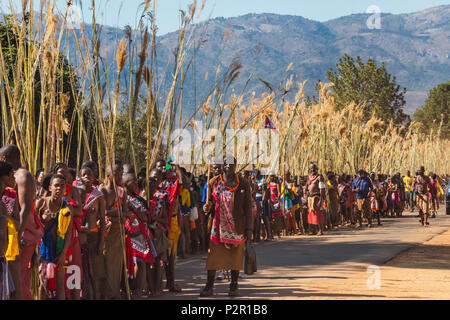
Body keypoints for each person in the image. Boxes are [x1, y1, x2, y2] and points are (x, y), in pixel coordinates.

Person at [200, 157, 253, 297]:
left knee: (235, 259)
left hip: (237, 227)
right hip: (217, 227)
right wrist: (206, 207)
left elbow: (248, 207)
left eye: (231, 163)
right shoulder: (213, 182)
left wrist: (249, 229)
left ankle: (234, 286)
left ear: (235, 165)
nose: (228, 166)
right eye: (225, 163)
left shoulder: (243, 184)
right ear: (222, 165)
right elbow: (209, 204)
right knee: (213, 258)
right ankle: (209, 286)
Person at [0, 144, 42, 300]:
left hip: (22, 235)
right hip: (11, 235)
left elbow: (24, 209)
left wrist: (18, 236)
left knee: (19, 279)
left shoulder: (22, 176)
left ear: (5, 158)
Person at [35, 174, 73, 300]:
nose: (59, 188)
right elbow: (32, 223)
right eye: (56, 185)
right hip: (43, 249)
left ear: (65, 189)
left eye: (62, 186)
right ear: (50, 187)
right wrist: (42, 221)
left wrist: (63, 254)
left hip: (60, 248)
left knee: (60, 282)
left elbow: (68, 233)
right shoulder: (41, 202)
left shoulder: (67, 207)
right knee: (43, 282)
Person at [99, 163, 128, 299]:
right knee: (105, 264)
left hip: (118, 233)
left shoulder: (122, 191)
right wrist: (117, 212)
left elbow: (125, 211)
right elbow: (101, 212)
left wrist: (118, 213)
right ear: (108, 175)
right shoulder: (101, 191)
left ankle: (115, 293)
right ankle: (106, 294)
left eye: (121, 173)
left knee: (117, 265)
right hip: (105, 232)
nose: (119, 176)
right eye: (116, 173)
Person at [77, 165, 106, 300]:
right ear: (79, 177)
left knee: (94, 273)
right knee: (81, 273)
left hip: (93, 237)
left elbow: (103, 221)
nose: (87, 177)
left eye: (90, 175)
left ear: (94, 178)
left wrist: (101, 243)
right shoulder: (75, 194)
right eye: (84, 175)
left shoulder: (98, 196)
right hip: (78, 238)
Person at [0, 161, 18, 300]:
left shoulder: (5, 201)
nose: (14, 178)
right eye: (12, 174)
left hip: (3, 255)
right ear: (3, 177)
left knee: (10, 292)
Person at [306, 163, 325, 236]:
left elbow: (322, 189)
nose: (312, 170)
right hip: (310, 198)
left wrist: (321, 199)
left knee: (318, 214)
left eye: (313, 168)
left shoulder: (319, 177)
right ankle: (313, 230)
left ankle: (320, 230)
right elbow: (307, 186)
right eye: (311, 168)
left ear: (316, 168)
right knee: (311, 214)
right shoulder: (309, 177)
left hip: (316, 198)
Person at [268, 174, 283, 239]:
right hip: (270, 201)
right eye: (270, 176)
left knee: (277, 218)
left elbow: (279, 192)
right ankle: (271, 233)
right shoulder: (268, 183)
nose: (271, 177)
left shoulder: (277, 183)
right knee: (270, 218)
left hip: (276, 201)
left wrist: (279, 202)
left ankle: (278, 233)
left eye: (272, 176)